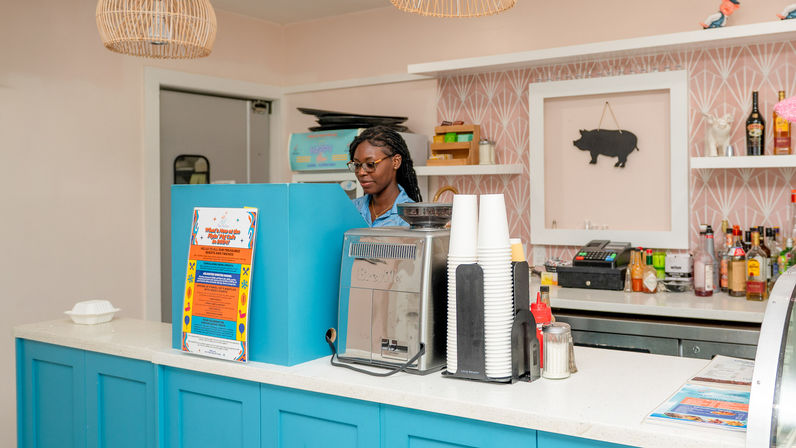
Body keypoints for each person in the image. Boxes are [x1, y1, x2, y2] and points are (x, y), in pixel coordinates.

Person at [348, 126, 423, 227]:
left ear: (396, 162)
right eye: (357, 165)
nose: (361, 172)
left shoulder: (413, 217)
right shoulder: (350, 209)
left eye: (370, 164)